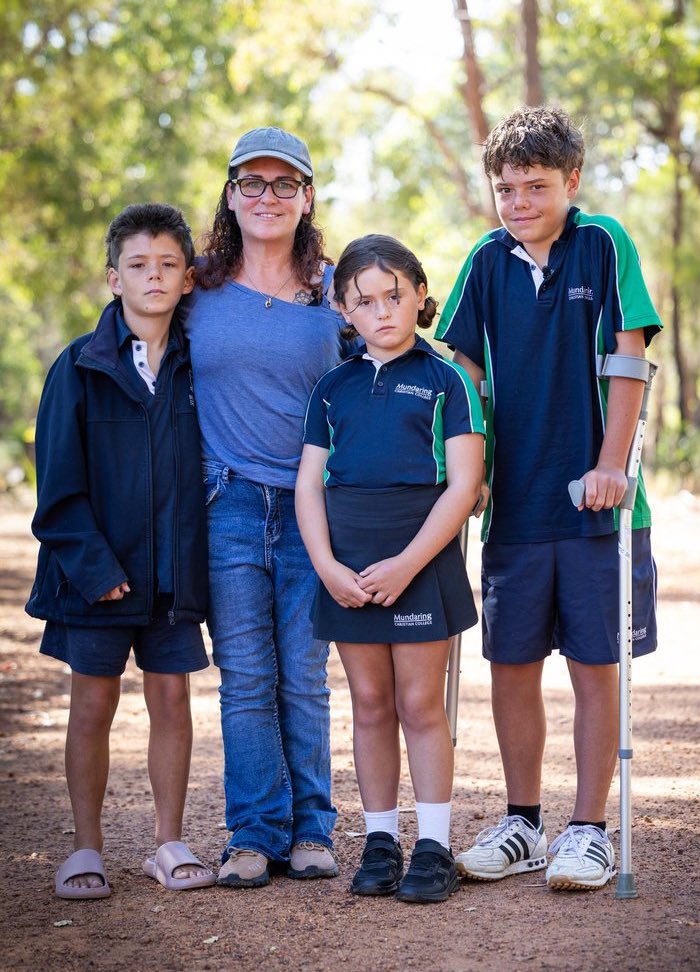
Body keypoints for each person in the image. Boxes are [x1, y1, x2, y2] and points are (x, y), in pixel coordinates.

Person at [436, 106, 662, 891]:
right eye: (505, 187)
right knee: (511, 665)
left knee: (596, 666)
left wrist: (610, 464)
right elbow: (459, 370)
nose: (518, 201)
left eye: (535, 185)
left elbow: (628, 360)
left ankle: (589, 829)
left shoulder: (602, 244)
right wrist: (469, 471)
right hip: (513, 506)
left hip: (596, 504)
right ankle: (524, 823)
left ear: (571, 181)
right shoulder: (486, 259)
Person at [26, 203, 214, 898]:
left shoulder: (201, 369)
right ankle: (85, 849)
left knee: (172, 701)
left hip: (171, 577)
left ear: (189, 278)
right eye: (138, 265)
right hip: (95, 578)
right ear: (114, 278)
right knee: (91, 708)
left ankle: (168, 842)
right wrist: (95, 570)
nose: (153, 276)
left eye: (168, 264)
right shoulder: (76, 367)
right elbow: (58, 488)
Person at [295, 235, 486, 904]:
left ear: (418, 296)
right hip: (347, 569)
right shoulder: (331, 388)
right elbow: (308, 486)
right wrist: (325, 566)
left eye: (393, 296)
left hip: (419, 564)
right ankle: (380, 841)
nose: (380, 312)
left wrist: (406, 564)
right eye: (364, 301)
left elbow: (463, 486)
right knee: (370, 704)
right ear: (343, 309)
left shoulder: (446, 380)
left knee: (417, 704)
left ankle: (432, 845)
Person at [184, 127, 347, 887]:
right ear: (229, 194)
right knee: (245, 674)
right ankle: (252, 833)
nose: (268, 197)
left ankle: (312, 829)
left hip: (314, 505)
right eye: (252, 183)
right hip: (227, 503)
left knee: (304, 676)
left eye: (286, 184)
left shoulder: (335, 290)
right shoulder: (197, 287)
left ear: (307, 197)